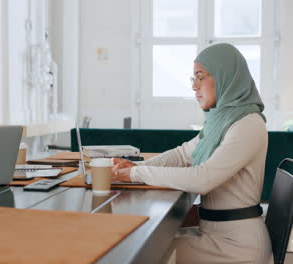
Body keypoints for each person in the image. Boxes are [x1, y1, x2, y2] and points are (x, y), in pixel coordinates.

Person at [112, 43, 273, 263]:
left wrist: (135, 175)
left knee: (143, 253)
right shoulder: (223, 120)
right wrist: (134, 168)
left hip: (237, 247)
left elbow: (202, 179)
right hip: (215, 235)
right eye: (193, 79)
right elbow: (182, 154)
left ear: (225, 75)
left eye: (200, 77)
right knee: (142, 248)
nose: (194, 87)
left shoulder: (248, 124)